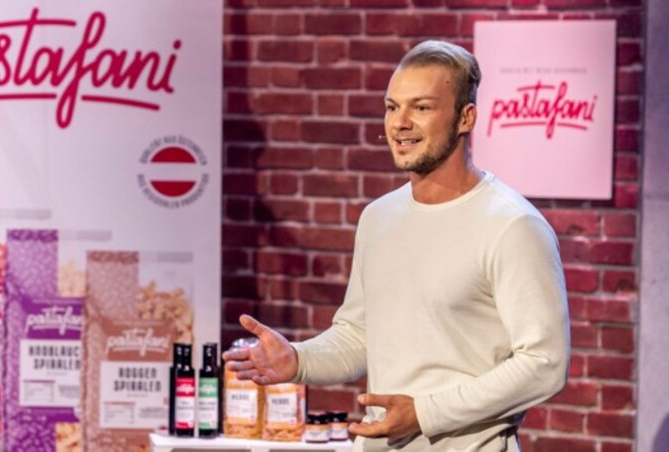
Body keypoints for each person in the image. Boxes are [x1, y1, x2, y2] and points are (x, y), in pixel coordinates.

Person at [223, 40, 570, 451]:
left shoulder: (513, 225)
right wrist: (298, 360)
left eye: (421, 108)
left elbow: (544, 364)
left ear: (466, 117)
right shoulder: (378, 218)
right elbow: (358, 336)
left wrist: (425, 413)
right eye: (392, 107)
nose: (400, 123)